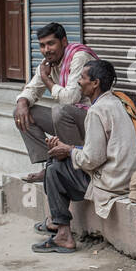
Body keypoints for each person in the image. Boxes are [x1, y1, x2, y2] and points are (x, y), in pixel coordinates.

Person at [33, 59, 136, 254]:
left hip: (112, 182)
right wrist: (69, 148)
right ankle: (58, 226)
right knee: (59, 159)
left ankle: (62, 233)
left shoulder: (96, 111)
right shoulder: (118, 101)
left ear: (95, 83)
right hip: (126, 176)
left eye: (82, 78)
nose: (79, 82)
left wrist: (68, 151)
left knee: (54, 169)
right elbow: (101, 150)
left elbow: (92, 160)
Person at [14, 22, 96, 183]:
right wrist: (22, 102)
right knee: (20, 112)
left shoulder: (78, 57)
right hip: (69, 120)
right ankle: (51, 166)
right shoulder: (47, 64)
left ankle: (76, 168)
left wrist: (47, 79)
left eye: (51, 43)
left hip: (93, 120)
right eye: (42, 45)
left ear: (64, 42)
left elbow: (70, 99)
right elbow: (31, 89)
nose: (46, 50)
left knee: (60, 110)